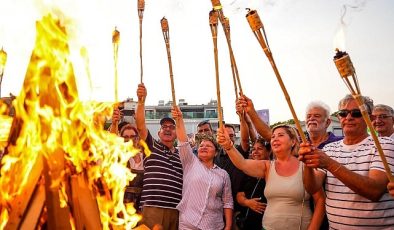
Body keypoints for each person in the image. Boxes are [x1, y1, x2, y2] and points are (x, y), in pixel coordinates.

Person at [300, 94, 394, 229]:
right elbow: (312, 187)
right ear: (339, 117)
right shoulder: (329, 148)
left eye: (356, 113)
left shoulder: (384, 144)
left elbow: (374, 191)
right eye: (343, 113)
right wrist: (307, 164)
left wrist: (329, 164)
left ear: (370, 118)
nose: (348, 117)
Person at [217, 124, 325, 230]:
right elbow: (242, 163)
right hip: (268, 227)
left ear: (293, 141)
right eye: (273, 137)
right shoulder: (268, 166)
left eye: (280, 135)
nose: (275, 139)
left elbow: (320, 200)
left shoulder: (307, 165)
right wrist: (228, 146)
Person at [172, 106, 233, 230]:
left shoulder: (223, 174)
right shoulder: (190, 162)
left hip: (214, 225)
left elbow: (227, 202)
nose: (204, 147)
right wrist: (179, 120)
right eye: (201, 146)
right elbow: (183, 141)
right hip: (188, 223)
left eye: (208, 146)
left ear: (216, 152)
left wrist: (228, 226)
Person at [135, 83, 183, 230]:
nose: (168, 129)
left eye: (172, 127)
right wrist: (141, 102)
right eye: (164, 127)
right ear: (158, 133)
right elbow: (140, 125)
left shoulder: (183, 154)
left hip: (176, 210)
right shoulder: (151, 146)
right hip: (152, 209)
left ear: (176, 133)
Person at [235, 137, 271, 230]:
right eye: (253, 149)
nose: (255, 152)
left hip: (268, 223)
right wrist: (248, 202)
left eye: (260, 149)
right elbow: (239, 195)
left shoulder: (274, 170)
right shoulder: (247, 172)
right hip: (248, 223)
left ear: (269, 151)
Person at [118, 122, 144, 212]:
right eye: (126, 137)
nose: (130, 140)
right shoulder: (117, 158)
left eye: (133, 136)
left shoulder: (145, 158)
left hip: (142, 206)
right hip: (122, 206)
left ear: (138, 138)